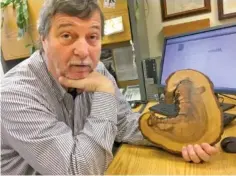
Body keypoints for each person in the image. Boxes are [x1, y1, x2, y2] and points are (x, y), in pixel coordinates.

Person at [1, 0, 218, 175]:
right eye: (67, 35)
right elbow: (79, 171)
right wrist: (105, 92)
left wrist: (181, 140)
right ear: (43, 40)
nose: (83, 51)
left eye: (92, 37)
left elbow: (123, 123)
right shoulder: (14, 95)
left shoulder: (99, 71)